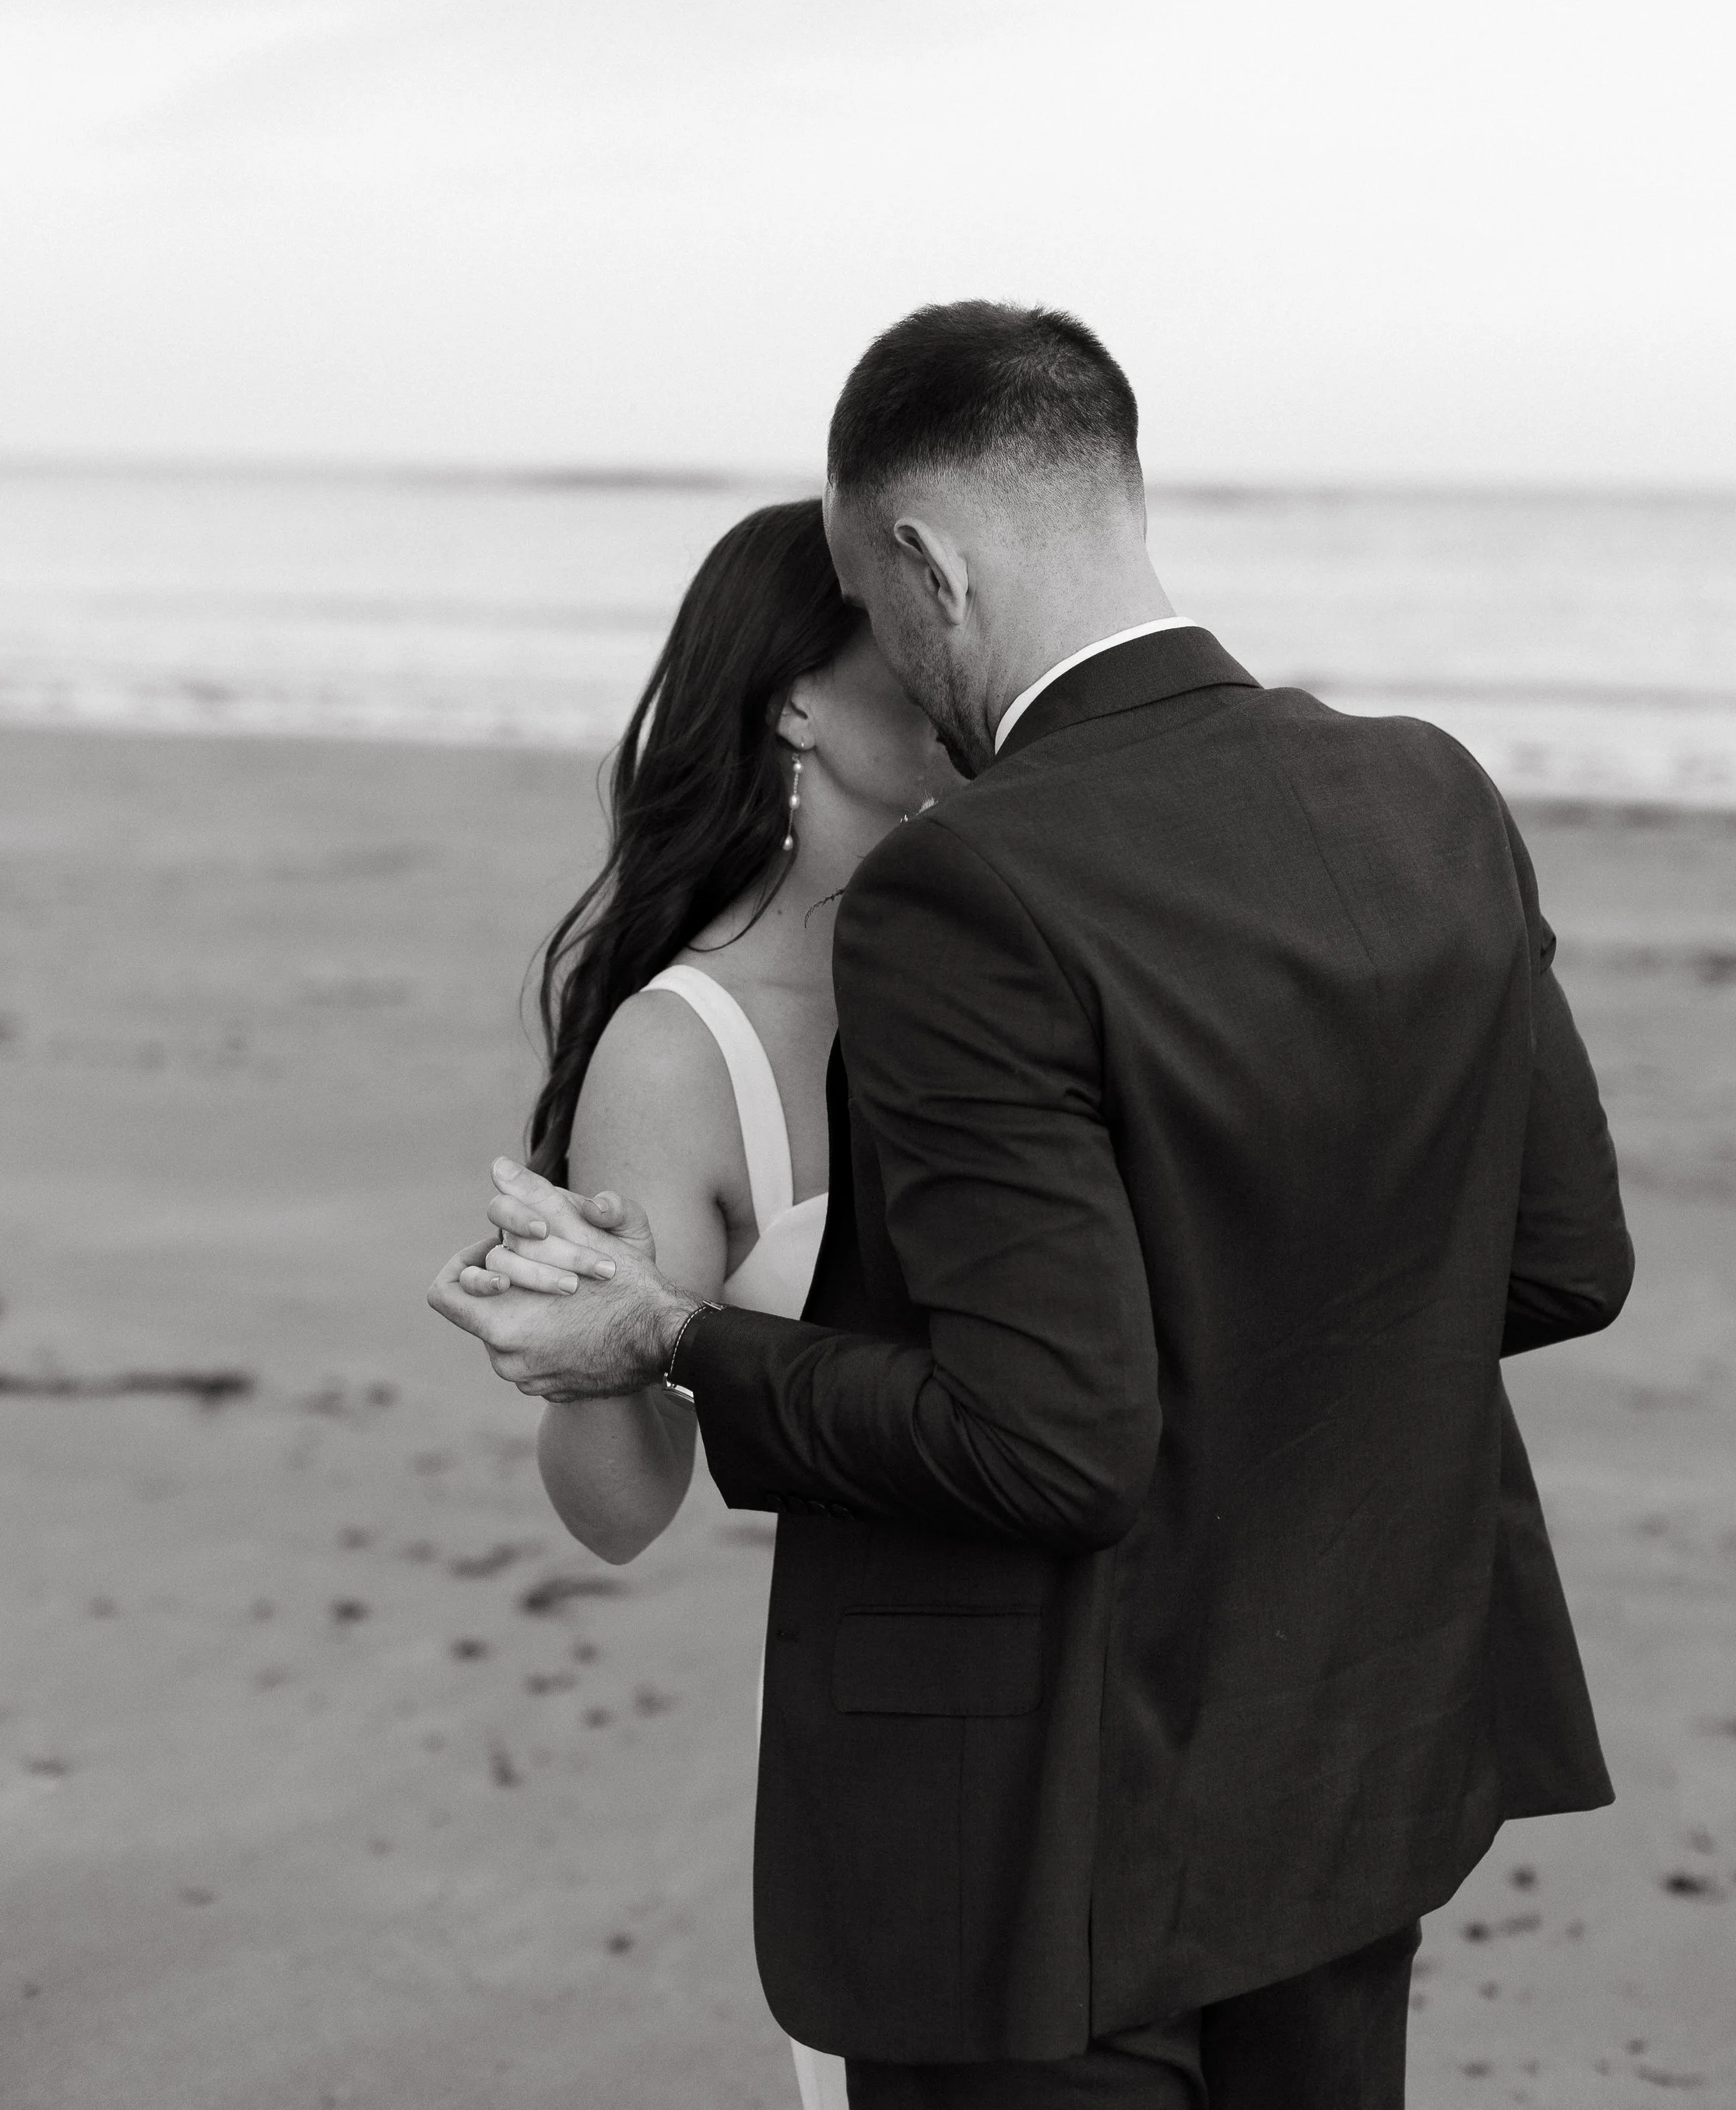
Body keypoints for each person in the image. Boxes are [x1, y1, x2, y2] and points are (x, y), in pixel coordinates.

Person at [432, 301, 1634, 2108]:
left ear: (922, 563)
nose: (918, 688)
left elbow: (1063, 1437)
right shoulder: (1427, 793)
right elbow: (1553, 1260)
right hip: (1345, 1771)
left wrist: (670, 1334)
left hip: (1042, 1849)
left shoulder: (976, 895)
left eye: (886, 614)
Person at [462, 494, 948, 2110]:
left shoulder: (1061, 946)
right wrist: (583, 1336)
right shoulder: (686, 1053)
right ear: (795, 698)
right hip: (905, 1720)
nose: (956, 657)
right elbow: (619, 1512)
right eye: (904, 619)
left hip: (1171, 1671)